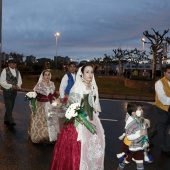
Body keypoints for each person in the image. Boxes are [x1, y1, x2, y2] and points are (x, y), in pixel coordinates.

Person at [50, 64, 105, 170]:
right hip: (79, 120)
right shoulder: (78, 87)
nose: (90, 74)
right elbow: (72, 106)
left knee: (96, 142)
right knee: (79, 146)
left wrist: (94, 116)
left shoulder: (93, 86)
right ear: (82, 74)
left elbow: (93, 104)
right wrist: (81, 118)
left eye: (91, 72)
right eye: (87, 72)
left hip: (91, 117)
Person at [28, 69, 63, 144]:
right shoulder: (39, 85)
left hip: (51, 104)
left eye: (48, 75)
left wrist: (59, 99)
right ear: (43, 76)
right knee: (43, 121)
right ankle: (43, 137)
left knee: (52, 120)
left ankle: (52, 137)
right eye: (45, 75)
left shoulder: (52, 83)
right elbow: (34, 95)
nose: (47, 76)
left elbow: (53, 93)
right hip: (42, 105)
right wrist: (32, 103)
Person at [0, 59, 22, 126]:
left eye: (15, 63)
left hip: (14, 91)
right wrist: (11, 86)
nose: (13, 65)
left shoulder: (17, 72)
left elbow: (19, 80)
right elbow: (2, 81)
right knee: (9, 105)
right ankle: (11, 120)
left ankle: (6, 118)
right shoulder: (5, 70)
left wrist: (18, 86)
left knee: (11, 105)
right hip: (7, 90)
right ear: (8, 64)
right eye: (12, 63)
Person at [155, 64, 170, 156]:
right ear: (164, 73)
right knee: (162, 129)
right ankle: (164, 148)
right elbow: (162, 98)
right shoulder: (159, 83)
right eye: (169, 73)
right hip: (162, 108)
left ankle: (148, 138)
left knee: (159, 127)